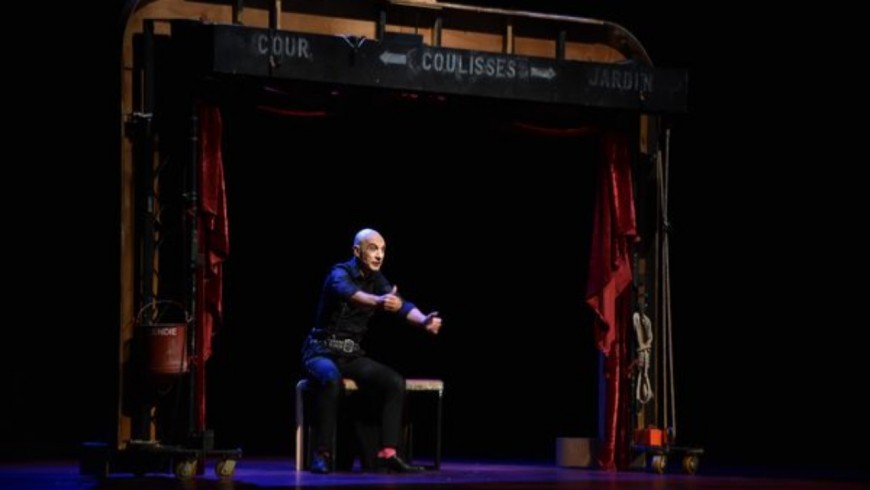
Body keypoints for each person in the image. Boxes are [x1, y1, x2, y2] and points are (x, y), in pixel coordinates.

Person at [301, 228, 443, 474]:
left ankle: (388, 453)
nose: (379, 255)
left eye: (383, 250)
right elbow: (352, 295)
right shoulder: (339, 273)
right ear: (357, 251)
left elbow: (401, 305)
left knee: (393, 381)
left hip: (350, 355)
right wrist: (379, 301)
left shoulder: (377, 279)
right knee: (331, 380)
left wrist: (423, 321)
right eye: (373, 248)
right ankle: (322, 454)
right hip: (320, 351)